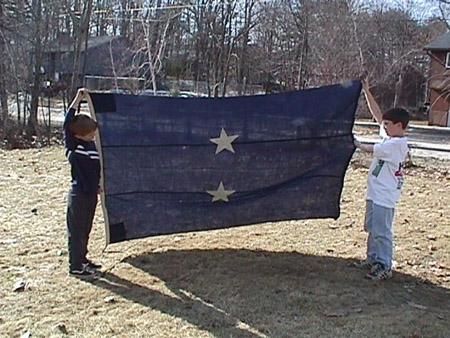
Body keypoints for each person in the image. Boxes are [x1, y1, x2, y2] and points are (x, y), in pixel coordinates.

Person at [352, 78, 410, 280]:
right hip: (374, 193)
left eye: (387, 124)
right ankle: (373, 257)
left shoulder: (397, 145)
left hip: (385, 196)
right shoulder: (390, 136)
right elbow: (378, 115)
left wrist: (355, 143)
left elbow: (369, 148)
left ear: (399, 125)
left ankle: (384, 265)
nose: (383, 126)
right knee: (372, 228)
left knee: (382, 231)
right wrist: (367, 92)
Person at [64, 88, 102, 277]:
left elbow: (95, 171)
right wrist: (78, 99)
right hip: (78, 195)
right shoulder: (74, 146)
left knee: (86, 229)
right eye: (90, 134)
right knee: (76, 231)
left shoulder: (91, 146)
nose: (93, 137)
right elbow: (67, 122)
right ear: (79, 135)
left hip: (90, 195)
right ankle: (75, 266)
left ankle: (83, 259)